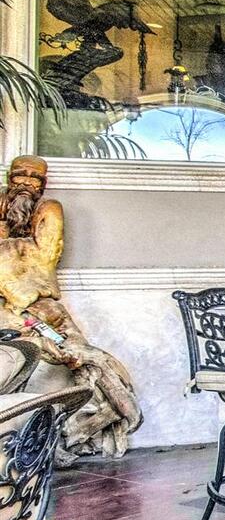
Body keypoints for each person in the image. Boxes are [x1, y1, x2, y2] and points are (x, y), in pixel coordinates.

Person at [0, 156, 141, 461]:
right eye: (19, 176)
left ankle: (84, 428)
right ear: (9, 178)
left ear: (43, 184)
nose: (25, 182)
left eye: (33, 178)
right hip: (10, 308)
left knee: (86, 358)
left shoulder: (48, 210)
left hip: (37, 304)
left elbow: (44, 260)